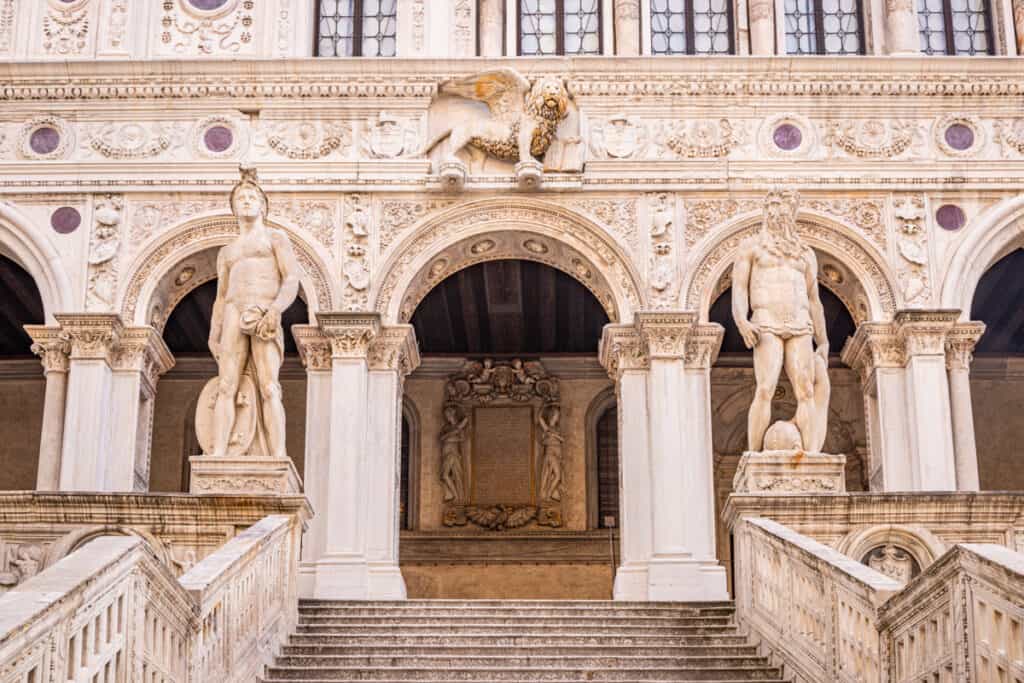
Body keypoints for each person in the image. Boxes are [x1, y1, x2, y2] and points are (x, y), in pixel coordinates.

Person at [208, 167, 299, 459]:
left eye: (252, 197)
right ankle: (219, 453)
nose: (246, 201)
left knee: (269, 386)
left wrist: (275, 309)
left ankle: (278, 455)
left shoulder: (275, 239)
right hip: (234, 311)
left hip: (263, 311)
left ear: (263, 205)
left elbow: (291, 279)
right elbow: (221, 298)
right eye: (241, 198)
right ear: (234, 207)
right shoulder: (227, 251)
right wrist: (214, 334)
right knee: (225, 385)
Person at [731, 189, 830, 452]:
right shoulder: (751, 247)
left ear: (793, 212)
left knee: (806, 390)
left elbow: (813, 299)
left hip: (800, 323)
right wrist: (741, 319)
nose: (778, 211)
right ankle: (753, 455)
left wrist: (824, 339)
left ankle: (810, 456)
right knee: (765, 388)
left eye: (784, 206)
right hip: (766, 322)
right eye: (773, 205)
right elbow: (739, 288)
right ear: (766, 211)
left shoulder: (805, 254)